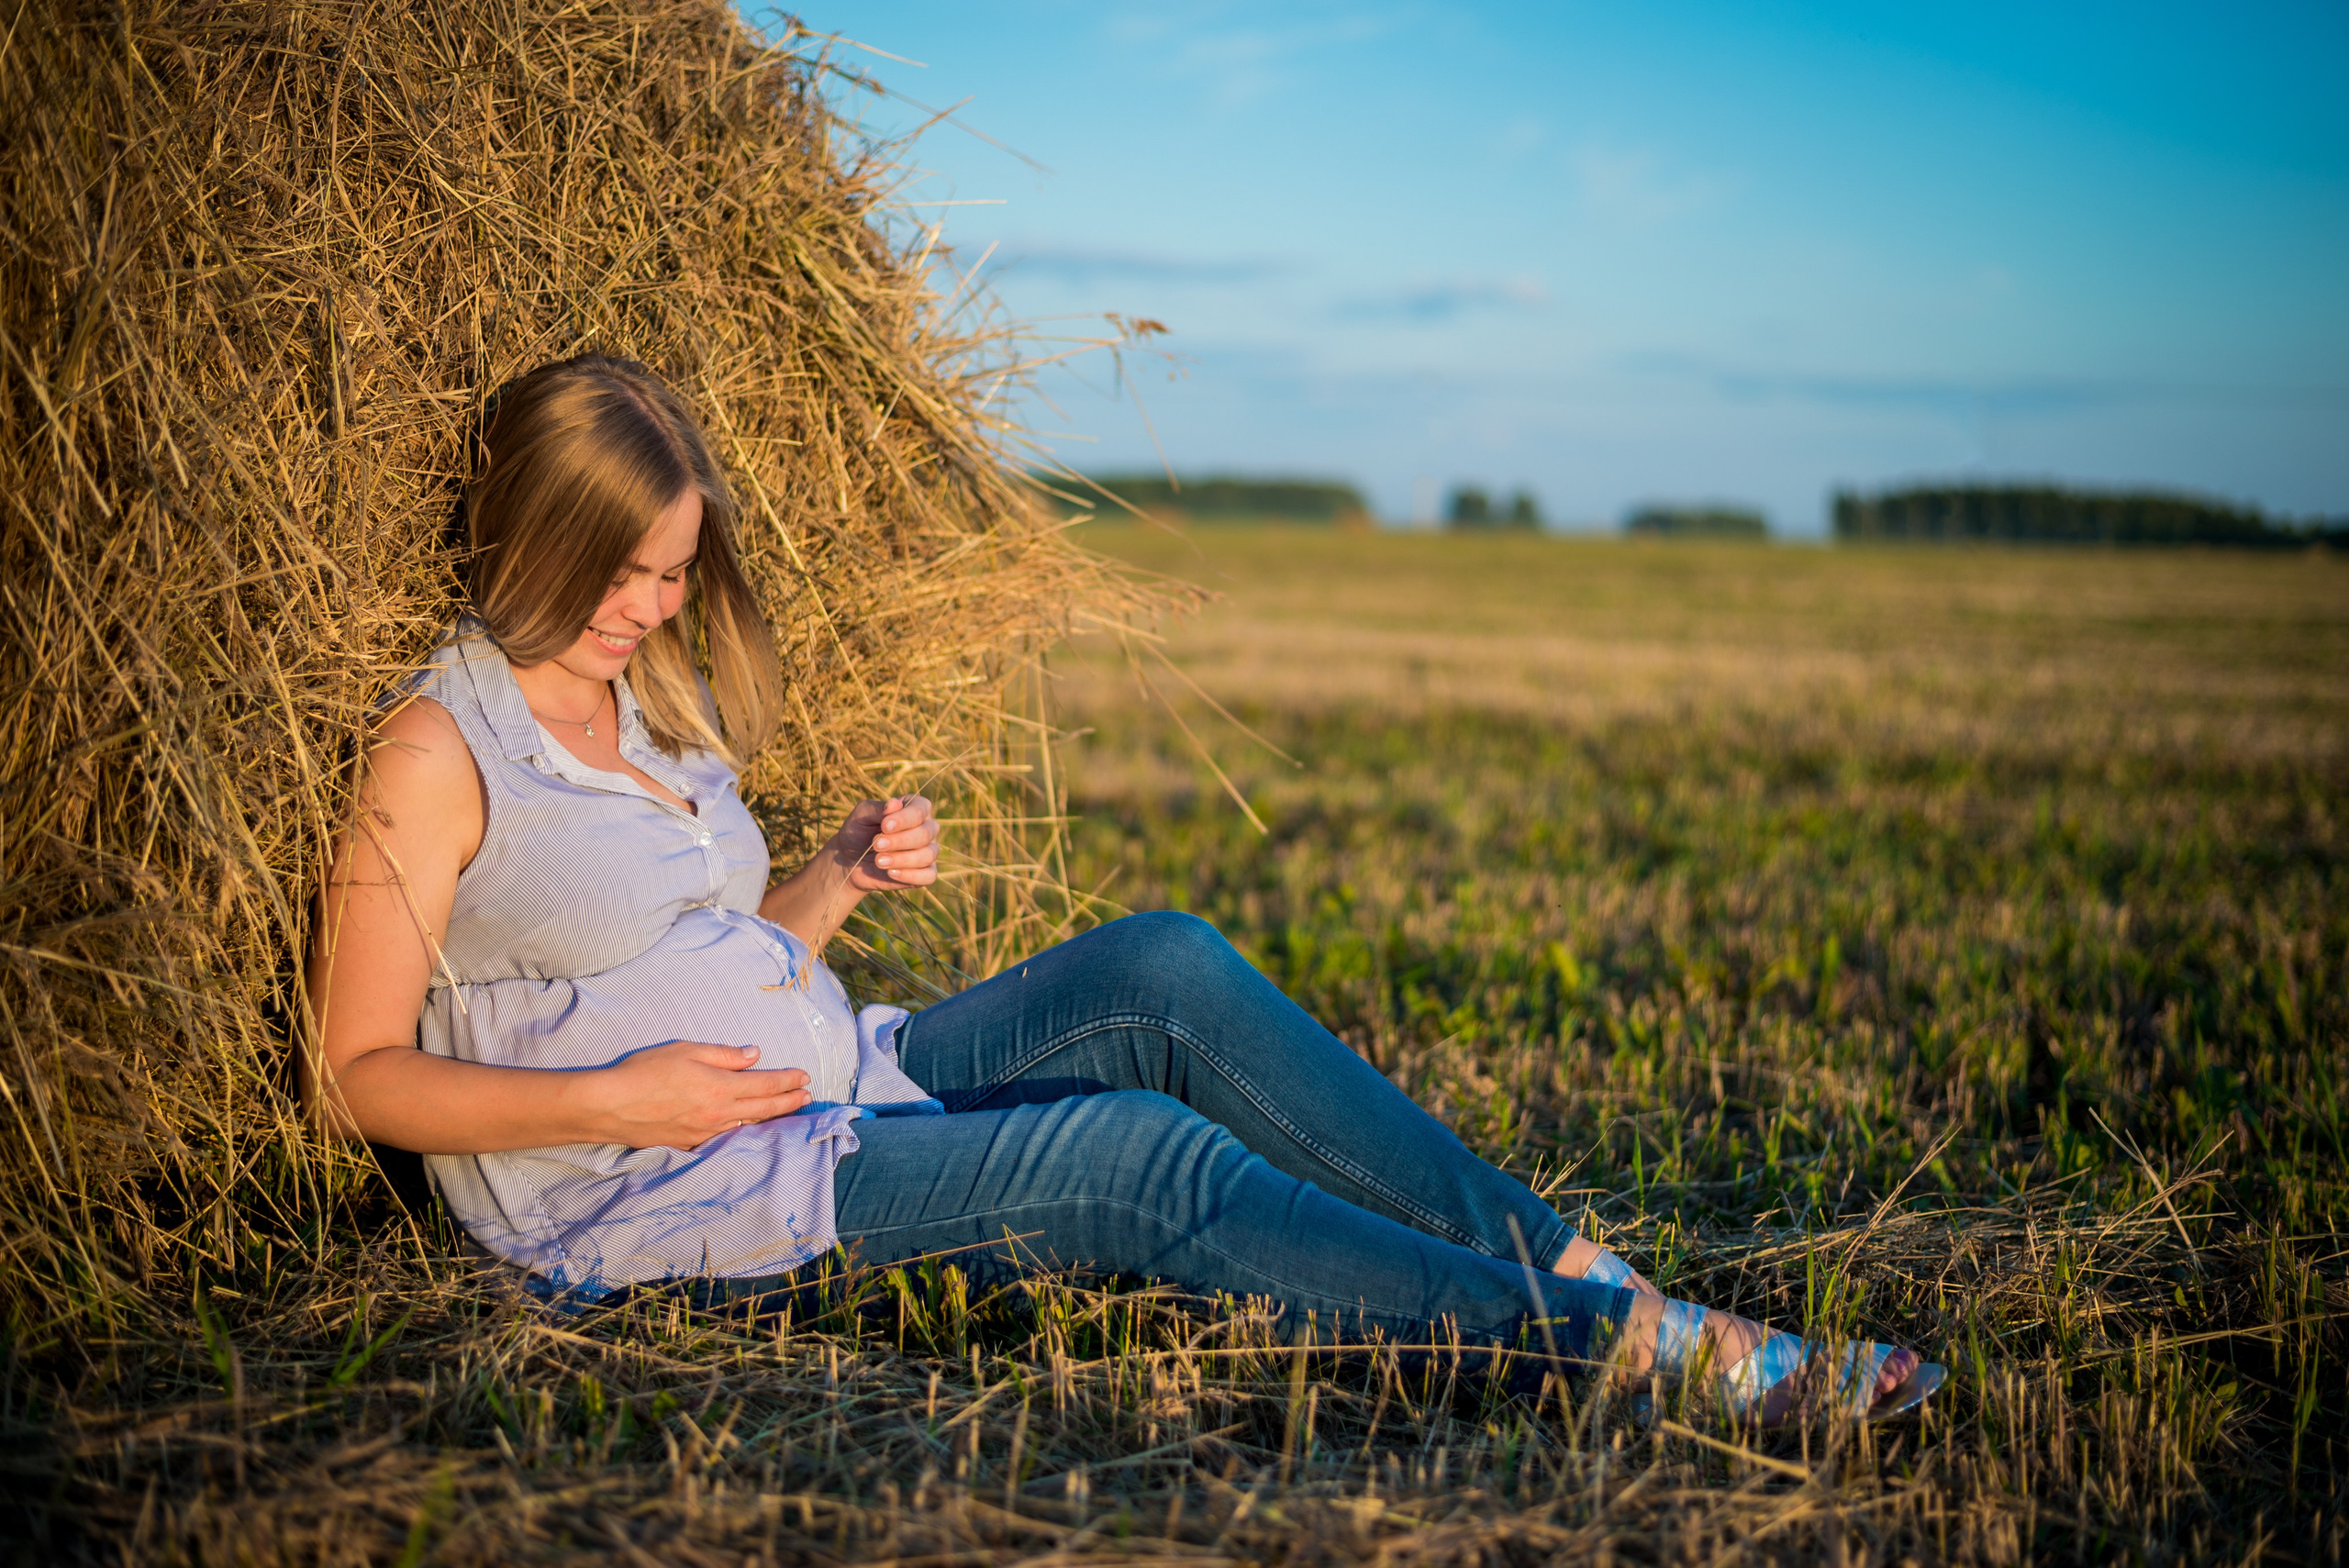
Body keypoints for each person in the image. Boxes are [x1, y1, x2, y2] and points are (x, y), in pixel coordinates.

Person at [306, 354, 1943, 1425]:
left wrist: (827, 875)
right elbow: (356, 1071)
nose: (650, 605)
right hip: (669, 1192)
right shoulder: (441, 755)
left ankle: (1580, 1270)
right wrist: (626, 1095)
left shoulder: (642, 695)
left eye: (673, 572)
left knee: (1163, 964)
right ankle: (1633, 1362)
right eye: (623, 569)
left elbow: (706, 951)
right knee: (1135, 1162)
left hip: (831, 1074)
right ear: (531, 532)